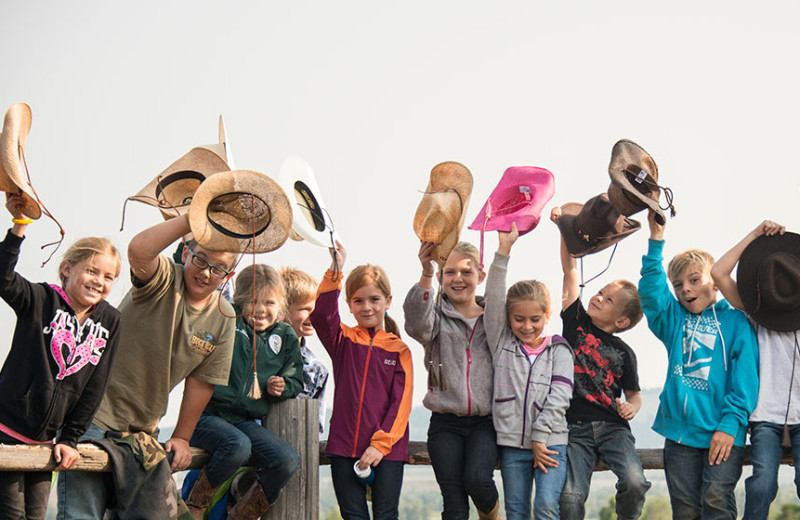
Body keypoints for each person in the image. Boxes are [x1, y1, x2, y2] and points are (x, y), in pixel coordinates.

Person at [57, 213, 237, 519]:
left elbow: (201, 382)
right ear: (185, 252)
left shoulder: (224, 318)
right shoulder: (164, 278)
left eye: (219, 269)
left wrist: (181, 436)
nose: (206, 273)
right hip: (92, 416)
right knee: (80, 514)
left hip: (142, 433)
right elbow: (139, 251)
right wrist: (192, 217)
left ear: (229, 276)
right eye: (201, 260)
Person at [0, 194, 121, 520]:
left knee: (36, 517)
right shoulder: (38, 299)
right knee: (12, 516)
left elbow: (95, 386)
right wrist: (19, 228)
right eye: (92, 271)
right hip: (5, 432)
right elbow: (3, 278)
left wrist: (70, 438)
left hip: (45, 443)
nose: (99, 281)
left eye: (109, 277)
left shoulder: (110, 321)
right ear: (67, 269)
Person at [639, 211, 759, 519]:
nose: (685, 290)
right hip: (679, 436)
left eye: (694, 280)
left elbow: (745, 380)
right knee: (687, 509)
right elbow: (652, 295)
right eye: (678, 285)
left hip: (723, 432)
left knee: (716, 499)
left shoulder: (736, 322)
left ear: (715, 284)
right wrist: (656, 240)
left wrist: (730, 425)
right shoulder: (673, 321)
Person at [550, 207, 651, 520]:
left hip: (612, 428)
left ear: (621, 320)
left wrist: (633, 406)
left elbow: (633, 394)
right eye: (599, 292)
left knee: (635, 481)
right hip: (573, 427)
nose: (597, 297)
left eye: (608, 300)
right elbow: (570, 273)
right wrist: (563, 230)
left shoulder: (624, 353)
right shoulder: (576, 323)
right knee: (569, 497)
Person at [186, 264, 303, 519]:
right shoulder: (228, 320)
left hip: (245, 422)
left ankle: (242, 514)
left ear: (281, 305)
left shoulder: (285, 337)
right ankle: (195, 507)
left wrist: (283, 386)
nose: (261, 309)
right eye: (253, 301)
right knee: (237, 446)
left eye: (270, 303)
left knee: (287, 460)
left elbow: (296, 379)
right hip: (207, 417)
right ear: (239, 301)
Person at [310, 241, 413, 520]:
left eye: (374, 299)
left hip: (388, 451)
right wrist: (336, 269)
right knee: (353, 515)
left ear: (388, 301)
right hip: (343, 447)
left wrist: (379, 445)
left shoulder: (399, 350)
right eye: (358, 301)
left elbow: (400, 405)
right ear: (350, 306)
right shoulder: (342, 340)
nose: (367, 307)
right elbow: (320, 315)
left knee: (385, 515)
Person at [403, 240, 500, 520]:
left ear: (480, 276)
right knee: (454, 506)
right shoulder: (435, 319)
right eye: (450, 272)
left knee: (479, 481)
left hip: (485, 421)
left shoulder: (494, 319)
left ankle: (492, 516)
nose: (458, 278)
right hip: (445, 423)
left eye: (466, 272)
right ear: (441, 277)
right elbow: (415, 323)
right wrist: (426, 272)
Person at [484, 223, 573, 520]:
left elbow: (560, 396)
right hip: (512, 446)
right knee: (517, 512)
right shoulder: (502, 342)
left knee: (546, 506)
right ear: (508, 318)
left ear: (547, 316)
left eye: (535, 318)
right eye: (518, 319)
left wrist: (539, 436)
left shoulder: (559, 350)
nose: (527, 326)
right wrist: (503, 251)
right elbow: (495, 297)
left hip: (550, 443)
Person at [710, 219, 796, 520]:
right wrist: (755, 234)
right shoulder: (758, 313)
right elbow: (718, 273)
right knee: (761, 485)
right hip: (765, 418)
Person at [280, 266, 329, 435]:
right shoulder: (260, 354)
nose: (313, 316)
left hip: (300, 444)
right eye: (306, 309)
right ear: (283, 309)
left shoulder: (317, 369)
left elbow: (316, 426)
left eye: (316, 310)